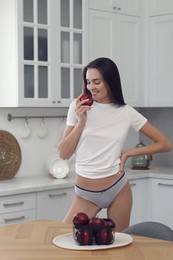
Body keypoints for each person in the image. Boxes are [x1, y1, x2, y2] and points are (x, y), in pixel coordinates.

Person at [58, 57, 172, 232]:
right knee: (66, 237)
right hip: (86, 195)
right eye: (88, 82)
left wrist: (128, 153)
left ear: (110, 82)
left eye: (97, 81)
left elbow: (165, 143)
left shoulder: (126, 112)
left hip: (118, 189)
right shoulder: (77, 107)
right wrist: (81, 122)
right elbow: (63, 153)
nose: (91, 87)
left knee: (118, 246)